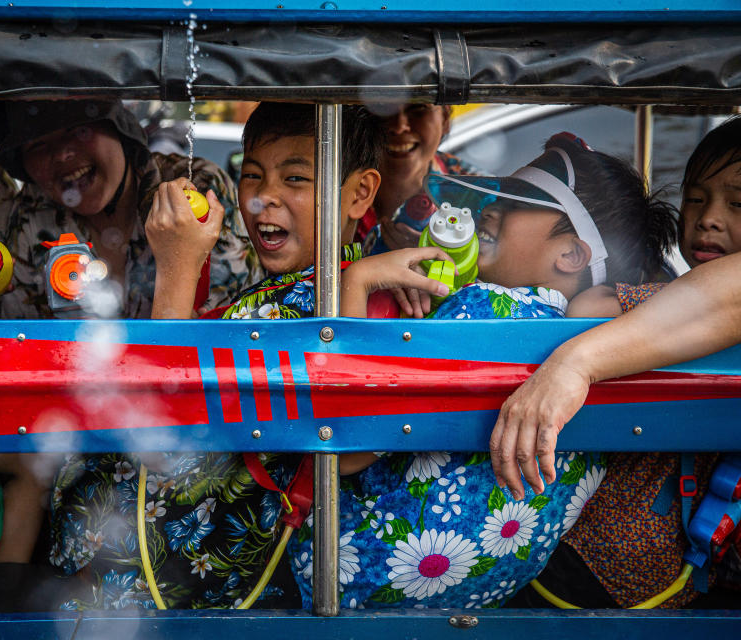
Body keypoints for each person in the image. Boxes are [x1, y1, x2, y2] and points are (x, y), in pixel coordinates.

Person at [44, 102, 416, 611]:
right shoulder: (301, 294)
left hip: (157, 584)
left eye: (297, 179)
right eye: (253, 176)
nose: (264, 198)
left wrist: (176, 266)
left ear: (360, 193)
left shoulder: (306, 312)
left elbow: (163, 418)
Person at [291, 132, 678, 610]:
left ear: (572, 255)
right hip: (475, 600)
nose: (492, 209)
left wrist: (361, 277)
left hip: (339, 570)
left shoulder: (476, 309)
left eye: (520, 203)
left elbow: (345, 448)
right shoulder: (612, 348)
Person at [497, 116, 741, 608]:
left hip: (616, 562)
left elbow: (594, 308)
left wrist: (576, 362)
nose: (709, 218)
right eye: (694, 199)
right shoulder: (678, 290)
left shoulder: (666, 295)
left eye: (738, 204)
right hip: (647, 566)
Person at [0, 99, 262, 321]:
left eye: (78, 130)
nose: (62, 154)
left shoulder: (192, 188)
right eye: (38, 145)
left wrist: (177, 260)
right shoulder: (22, 219)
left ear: (119, 130)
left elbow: (227, 324)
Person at [359, 104, 477, 255]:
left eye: (418, 109)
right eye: (383, 109)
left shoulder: (480, 194)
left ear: (445, 120)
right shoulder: (332, 187)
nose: (399, 127)